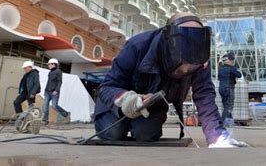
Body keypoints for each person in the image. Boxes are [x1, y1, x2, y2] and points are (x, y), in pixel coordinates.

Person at [93, 12, 246, 147]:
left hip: (153, 107)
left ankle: (140, 127)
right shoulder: (137, 46)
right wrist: (126, 99)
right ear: (169, 41)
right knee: (113, 132)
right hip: (115, 105)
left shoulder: (200, 56)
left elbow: (204, 95)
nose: (185, 71)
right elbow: (107, 87)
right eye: (181, 66)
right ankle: (112, 121)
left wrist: (216, 136)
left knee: (146, 135)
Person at [42, 58, 70, 125]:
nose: (48, 65)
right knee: (45, 106)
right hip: (47, 92)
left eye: (49, 64)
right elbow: (49, 82)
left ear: (54, 64)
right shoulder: (50, 72)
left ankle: (66, 113)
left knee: (54, 106)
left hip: (54, 92)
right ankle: (45, 120)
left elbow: (60, 82)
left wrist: (56, 90)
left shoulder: (58, 71)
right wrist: (45, 90)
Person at [218, 53, 242, 125]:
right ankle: (221, 122)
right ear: (229, 61)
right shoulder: (231, 68)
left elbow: (219, 78)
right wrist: (235, 69)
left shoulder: (220, 68)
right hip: (229, 87)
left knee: (225, 105)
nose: (232, 62)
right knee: (229, 106)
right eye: (232, 61)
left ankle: (230, 122)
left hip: (221, 88)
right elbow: (239, 75)